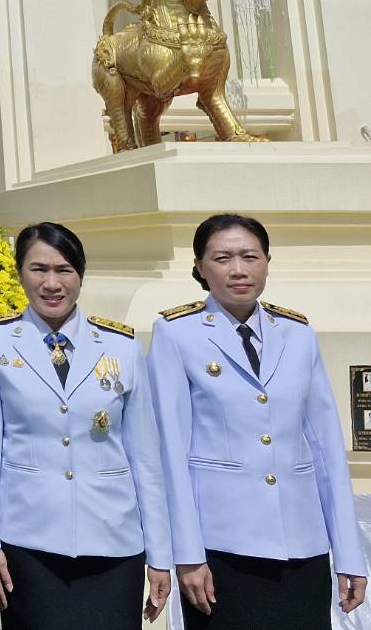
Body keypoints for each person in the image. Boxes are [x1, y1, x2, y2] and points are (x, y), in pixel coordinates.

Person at [147, 213, 367, 628]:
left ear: (267, 261)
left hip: (302, 542)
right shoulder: (176, 333)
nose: (238, 270)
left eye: (250, 256)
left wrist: (349, 554)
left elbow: (325, 450)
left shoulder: (297, 333)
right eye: (222, 258)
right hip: (222, 545)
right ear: (199, 267)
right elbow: (170, 452)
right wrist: (187, 554)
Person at [0, 222, 172, 630]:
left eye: (64, 270)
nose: (52, 283)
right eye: (38, 269)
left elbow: (145, 457)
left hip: (113, 539)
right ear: (20, 272)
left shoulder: (121, 346)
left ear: (81, 274)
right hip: (29, 541)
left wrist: (160, 555)